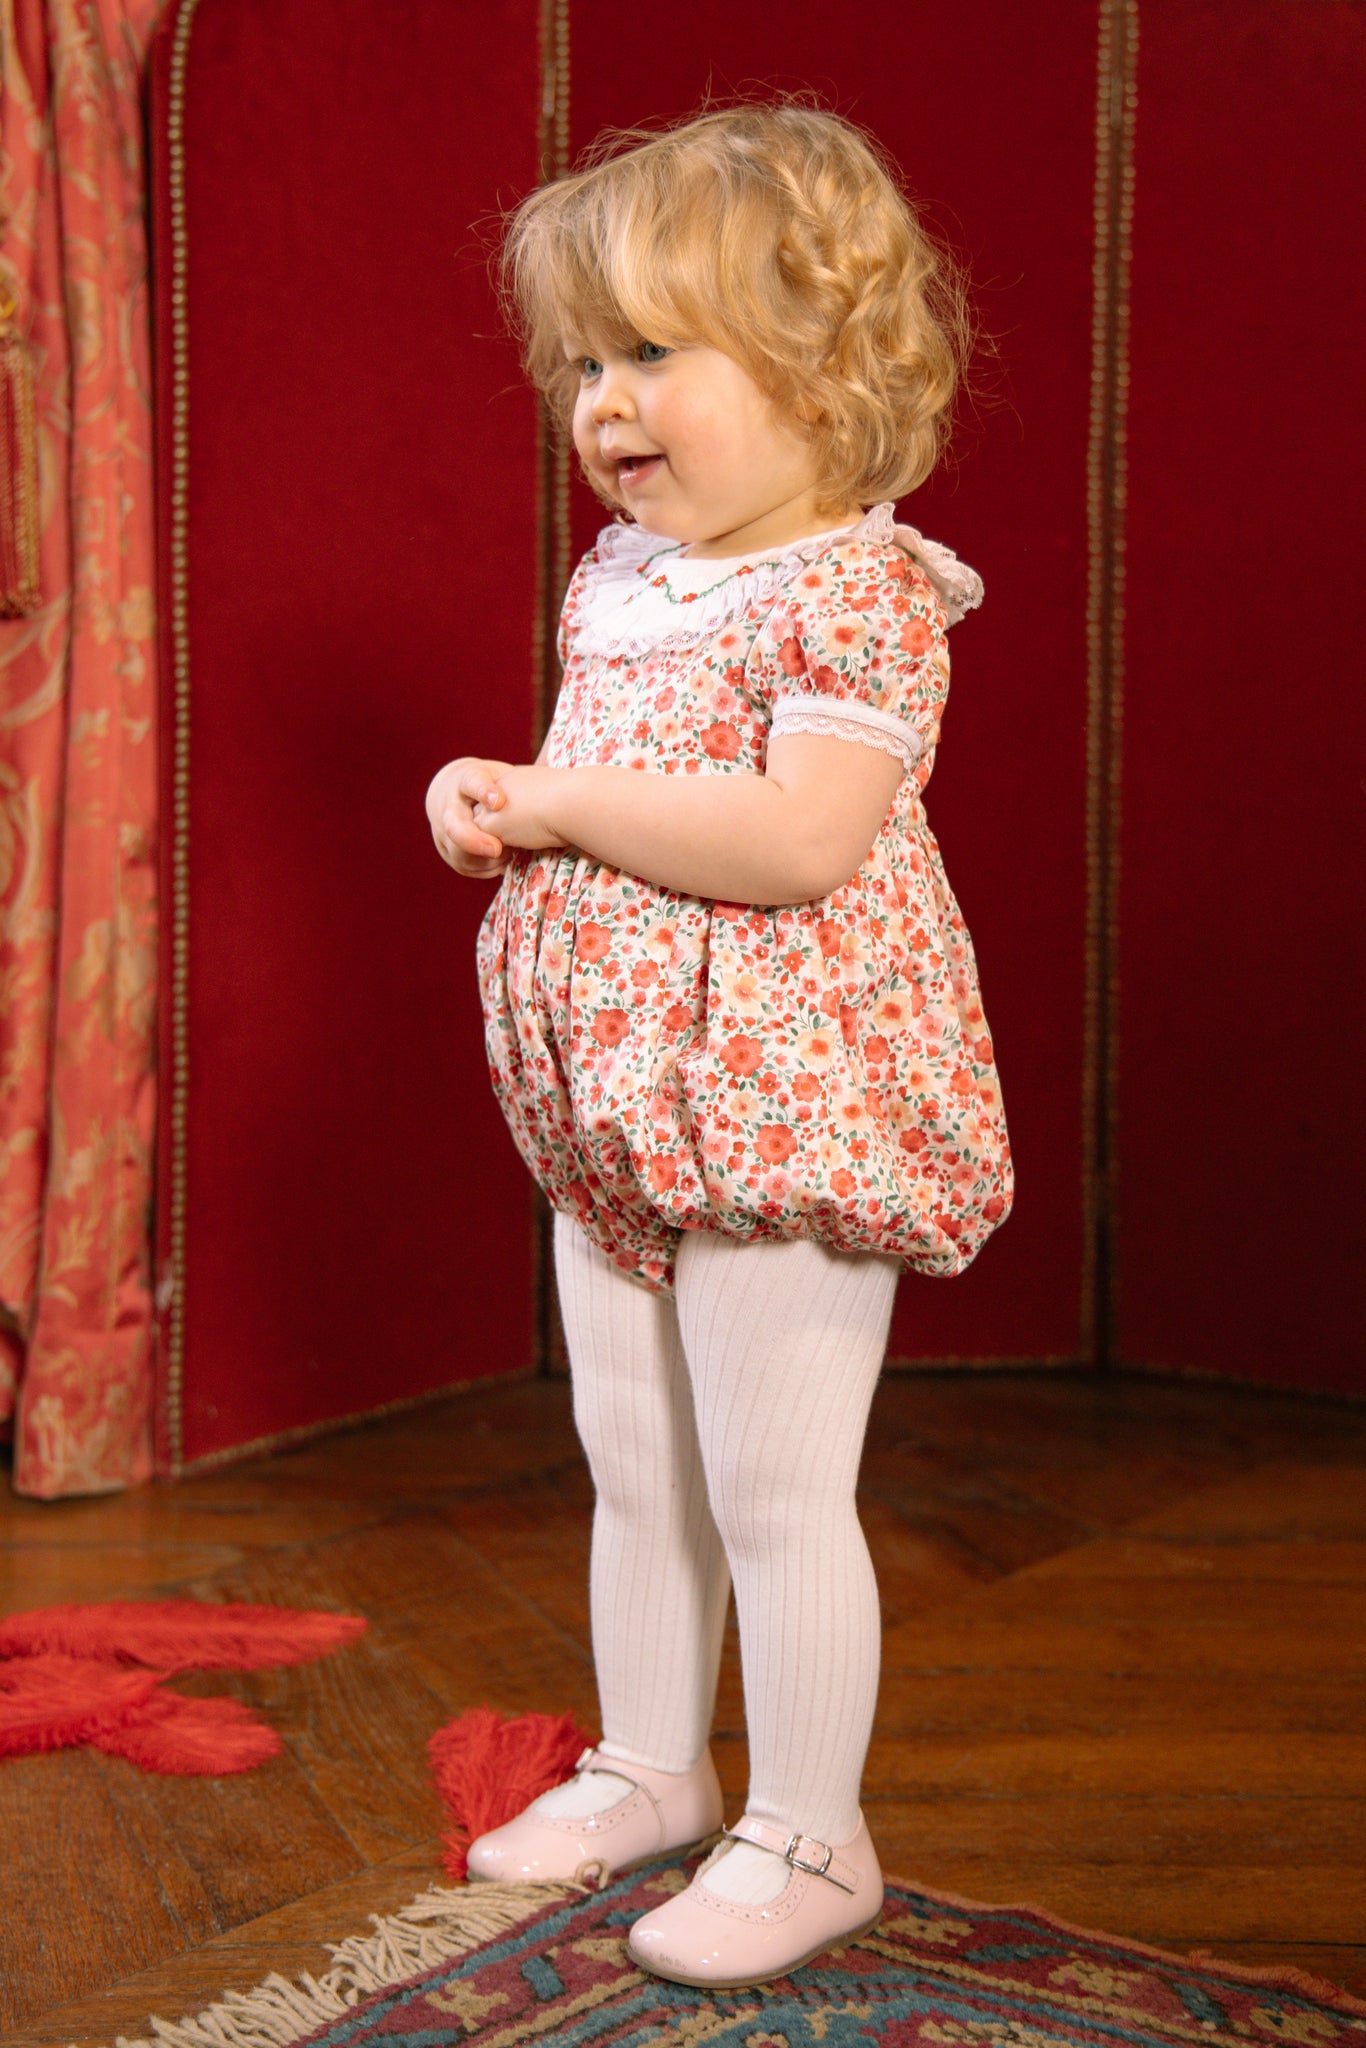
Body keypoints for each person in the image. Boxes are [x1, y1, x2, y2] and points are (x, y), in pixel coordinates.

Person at [424, 102, 1012, 1991]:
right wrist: (495, 801)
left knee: (771, 1482)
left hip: (783, 1090)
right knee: (639, 1461)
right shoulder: (627, 578)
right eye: (583, 358)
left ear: (826, 367)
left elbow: (796, 839)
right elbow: (599, 778)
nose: (604, 399)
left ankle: (813, 1831)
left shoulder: (856, 589)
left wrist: (560, 804)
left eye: (653, 351)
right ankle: (652, 1764)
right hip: (619, 1097)